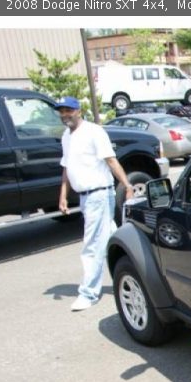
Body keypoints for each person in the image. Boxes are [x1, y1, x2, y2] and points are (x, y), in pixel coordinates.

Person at [55, 96, 134, 311]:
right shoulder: (66, 136)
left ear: (79, 110)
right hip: (85, 196)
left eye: (68, 110)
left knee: (91, 245)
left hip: (98, 195)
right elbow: (66, 168)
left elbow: (110, 160)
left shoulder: (94, 132)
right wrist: (63, 195)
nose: (65, 115)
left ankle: (88, 293)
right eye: (61, 111)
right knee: (111, 236)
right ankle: (136, 269)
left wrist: (127, 185)